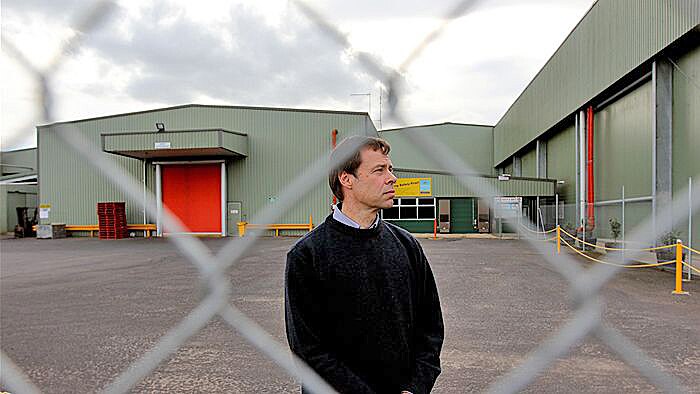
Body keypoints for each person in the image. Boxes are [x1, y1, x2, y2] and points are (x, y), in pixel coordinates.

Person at [284, 135, 444, 393]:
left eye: (390, 169)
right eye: (379, 170)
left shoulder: (407, 246)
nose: (392, 178)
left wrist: (415, 387)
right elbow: (309, 350)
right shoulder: (307, 255)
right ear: (346, 179)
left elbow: (431, 328)